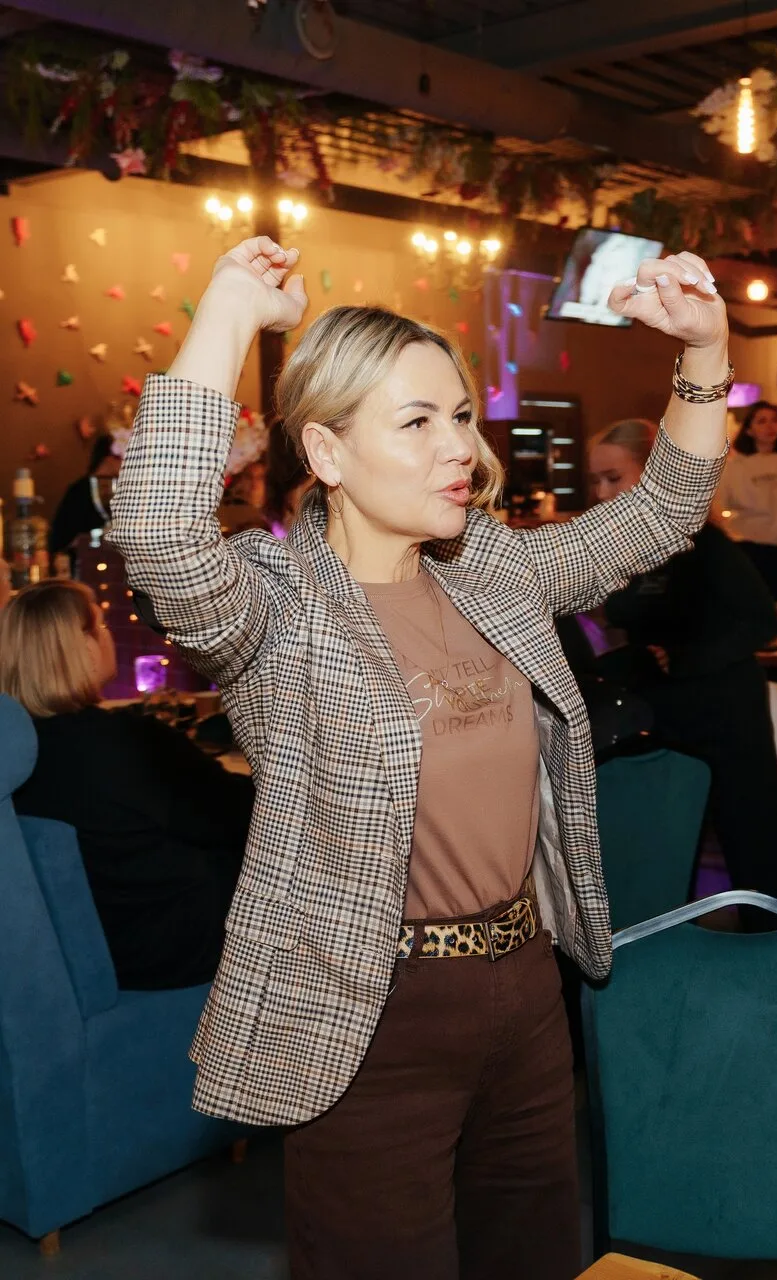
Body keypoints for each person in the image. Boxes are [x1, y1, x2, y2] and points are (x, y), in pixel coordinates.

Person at [109, 235, 729, 1279]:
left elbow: (663, 511)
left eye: (461, 416)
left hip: (526, 989)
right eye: (417, 421)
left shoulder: (492, 569)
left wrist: (705, 349)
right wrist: (230, 309)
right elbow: (161, 529)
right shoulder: (277, 610)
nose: (463, 451)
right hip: (369, 1015)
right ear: (327, 452)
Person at [582, 417, 777, 925]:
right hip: (669, 720)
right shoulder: (627, 549)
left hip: (726, 715)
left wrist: (684, 657)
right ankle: (665, 954)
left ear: (652, 473)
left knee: (755, 850)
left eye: (614, 478)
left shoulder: (702, 543)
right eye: (596, 480)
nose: (601, 493)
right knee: (666, 851)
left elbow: (762, 622)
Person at [0, 579, 254, 991]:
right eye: (100, 626)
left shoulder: (16, 752)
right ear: (80, 648)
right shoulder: (129, 743)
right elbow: (242, 815)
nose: (109, 637)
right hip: (183, 955)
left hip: (91, 956)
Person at [714, 399, 777, 599]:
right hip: (749, 546)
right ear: (749, 430)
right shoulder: (735, 467)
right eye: (762, 421)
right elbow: (717, 510)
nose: (770, 426)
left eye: (774, 420)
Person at [50, 435, 122, 556]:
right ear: (109, 457)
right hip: (86, 559)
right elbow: (64, 539)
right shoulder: (79, 491)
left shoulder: (124, 488)